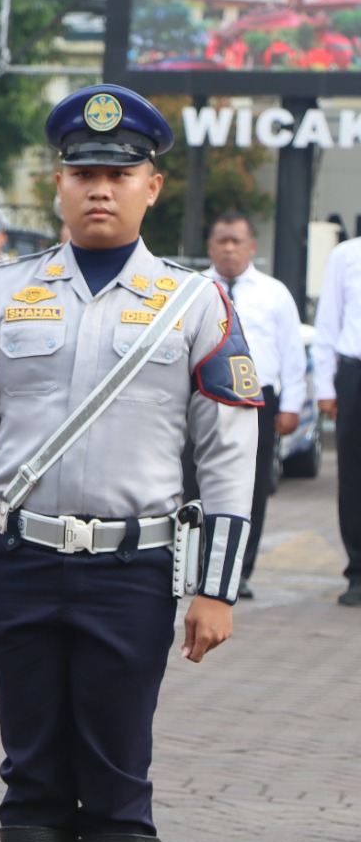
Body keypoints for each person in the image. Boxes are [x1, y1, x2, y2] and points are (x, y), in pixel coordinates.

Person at [0, 84, 260, 842]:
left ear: (154, 186)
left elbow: (230, 456)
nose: (100, 188)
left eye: (120, 173)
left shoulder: (196, 301)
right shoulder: (2, 293)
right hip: (21, 562)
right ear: (57, 183)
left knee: (119, 773)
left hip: (133, 569)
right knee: (32, 771)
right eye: (82, 171)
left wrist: (218, 591)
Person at [187, 214, 303, 601]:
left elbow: (291, 352)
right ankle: (195, 565)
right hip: (201, 397)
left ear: (252, 247)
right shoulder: (194, 289)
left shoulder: (274, 293)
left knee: (250, 486)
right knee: (194, 482)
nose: (229, 249)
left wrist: (292, 405)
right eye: (222, 241)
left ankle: (240, 570)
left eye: (237, 241)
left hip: (258, 400)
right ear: (210, 247)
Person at [308, 216, 361, 606]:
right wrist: (326, 387)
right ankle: (358, 572)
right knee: (355, 477)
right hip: (355, 373)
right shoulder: (347, 256)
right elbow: (327, 324)